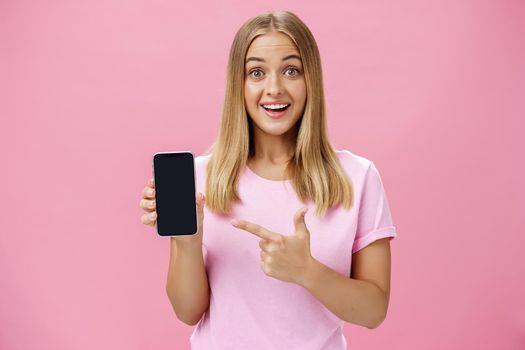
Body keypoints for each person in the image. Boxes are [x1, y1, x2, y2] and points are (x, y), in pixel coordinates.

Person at [140, 10, 397, 350]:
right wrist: (187, 241)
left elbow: (373, 311)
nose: (274, 89)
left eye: (291, 70)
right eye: (256, 72)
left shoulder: (358, 177)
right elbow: (188, 311)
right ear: (239, 84)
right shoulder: (200, 178)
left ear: (311, 81)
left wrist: (305, 270)